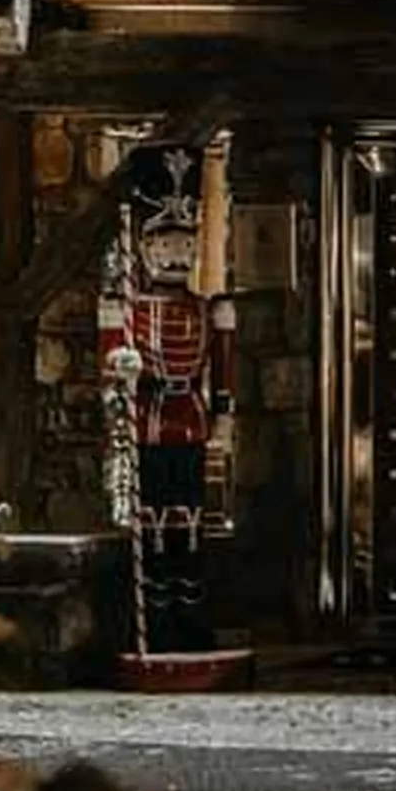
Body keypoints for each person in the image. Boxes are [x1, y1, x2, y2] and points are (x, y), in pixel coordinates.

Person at [98, 145, 234, 655]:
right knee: (151, 520)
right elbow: (110, 371)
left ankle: (188, 610)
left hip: (188, 421)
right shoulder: (128, 310)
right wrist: (122, 368)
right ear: (147, 249)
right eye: (167, 244)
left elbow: (220, 372)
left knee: (189, 522)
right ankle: (154, 616)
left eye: (186, 244)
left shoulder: (207, 310)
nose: (177, 255)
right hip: (148, 422)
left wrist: (222, 413)